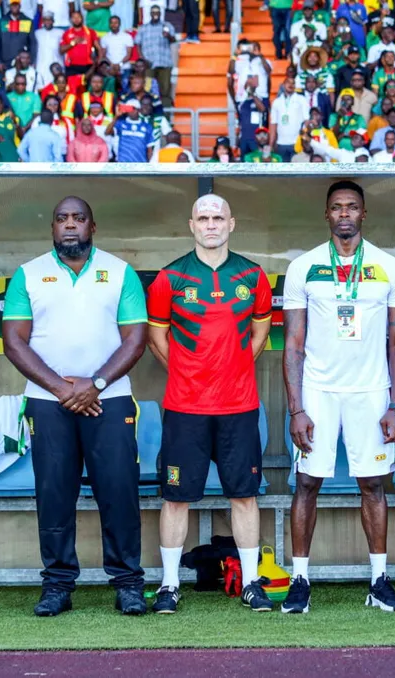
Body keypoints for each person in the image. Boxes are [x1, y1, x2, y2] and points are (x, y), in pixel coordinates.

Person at [2, 196, 148, 617]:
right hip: (48, 403)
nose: (70, 225)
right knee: (54, 494)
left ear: (92, 226)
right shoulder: (29, 274)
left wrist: (95, 385)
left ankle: (128, 583)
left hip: (110, 399)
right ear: (52, 227)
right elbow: (13, 341)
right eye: (62, 219)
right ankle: (57, 585)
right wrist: (62, 389)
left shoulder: (120, 272)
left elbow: (136, 339)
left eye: (79, 218)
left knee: (119, 491)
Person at [282, 181, 395, 614]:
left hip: (371, 391)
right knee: (307, 482)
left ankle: (379, 580)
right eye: (336, 207)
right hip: (318, 391)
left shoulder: (390, 268)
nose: (344, 214)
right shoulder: (303, 267)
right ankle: (300, 579)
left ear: (363, 213)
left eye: (352, 207)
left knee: (373, 484)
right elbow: (293, 344)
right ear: (326, 214)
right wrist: (297, 408)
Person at [145, 194, 275, 614]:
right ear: (192, 225)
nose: (211, 225)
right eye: (203, 218)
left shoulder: (252, 276)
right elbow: (156, 338)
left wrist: (231, 369)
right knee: (175, 497)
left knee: (245, 495)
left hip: (239, 405)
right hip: (186, 407)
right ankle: (169, 585)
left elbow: (259, 334)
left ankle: (252, 582)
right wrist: (190, 372)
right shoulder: (170, 278)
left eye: (218, 218)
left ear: (231, 224)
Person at [135, 5, 175, 111]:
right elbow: (137, 44)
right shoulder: (143, 28)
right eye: (153, 12)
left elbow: (173, 40)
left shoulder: (167, 25)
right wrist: (142, 59)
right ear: (150, 14)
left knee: (165, 91)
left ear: (160, 14)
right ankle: (149, 114)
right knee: (148, 90)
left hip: (165, 63)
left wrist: (168, 36)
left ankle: (165, 116)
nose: (155, 14)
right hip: (149, 65)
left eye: (157, 12)